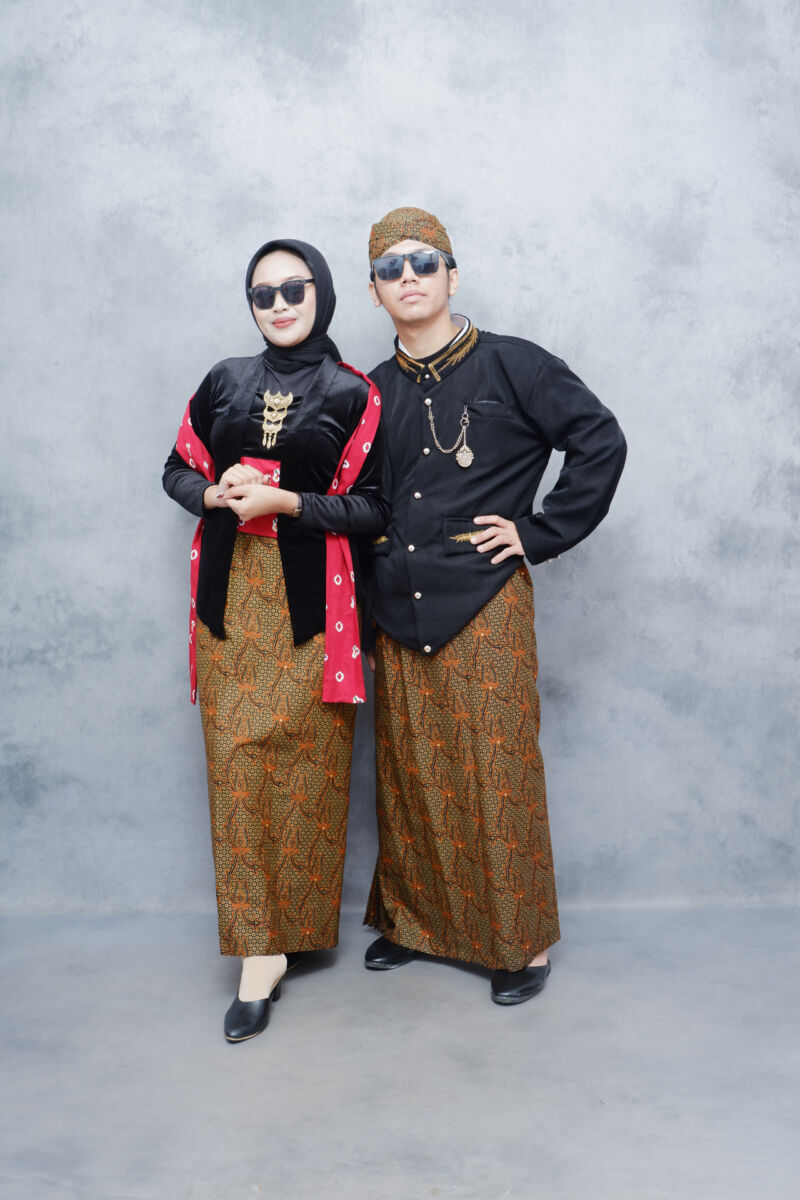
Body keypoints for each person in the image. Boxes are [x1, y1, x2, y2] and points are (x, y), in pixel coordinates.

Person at [362, 207, 626, 1004]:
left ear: (451, 274)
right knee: (411, 773)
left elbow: (600, 440)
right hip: (396, 607)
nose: (409, 277)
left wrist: (537, 533)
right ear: (375, 292)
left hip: (484, 597)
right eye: (391, 268)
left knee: (497, 768)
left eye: (424, 262)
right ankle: (415, 924)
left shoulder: (514, 364)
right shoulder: (369, 391)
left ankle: (521, 946)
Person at [163, 238, 387, 1041]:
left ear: (322, 293)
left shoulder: (355, 393)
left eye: (295, 288)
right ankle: (257, 951)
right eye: (264, 294)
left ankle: (297, 933)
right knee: (236, 770)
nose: (281, 304)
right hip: (229, 603)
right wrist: (213, 493)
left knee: (309, 772)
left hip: (313, 610)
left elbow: (373, 510)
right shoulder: (222, 381)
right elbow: (176, 468)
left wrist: (287, 503)